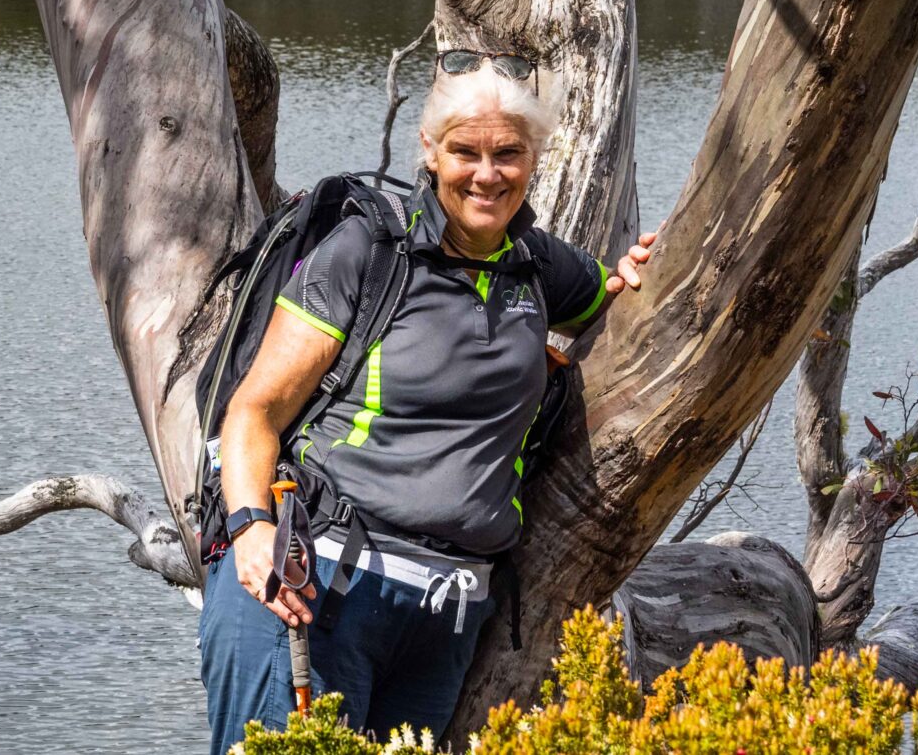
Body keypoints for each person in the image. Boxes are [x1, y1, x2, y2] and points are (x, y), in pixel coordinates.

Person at [199, 50, 658, 753]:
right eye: (465, 150)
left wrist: (639, 273)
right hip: (315, 591)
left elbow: (624, 296)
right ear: (430, 150)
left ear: (534, 156)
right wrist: (252, 527)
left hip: (444, 623)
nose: (487, 172)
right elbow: (253, 410)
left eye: (507, 152)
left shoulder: (536, 266)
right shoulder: (368, 251)